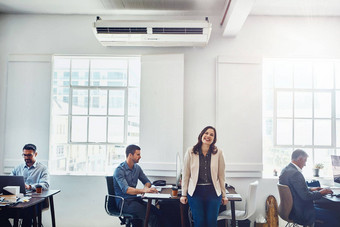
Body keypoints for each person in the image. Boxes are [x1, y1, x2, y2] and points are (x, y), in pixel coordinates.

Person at [180, 126, 228, 227]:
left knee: (211, 223)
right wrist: (184, 194)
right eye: (206, 133)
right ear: (201, 135)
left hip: (213, 192)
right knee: (199, 222)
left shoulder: (219, 152)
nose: (208, 136)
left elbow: (221, 175)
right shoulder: (191, 151)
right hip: (196, 192)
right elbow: (186, 174)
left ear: (214, 139)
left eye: (212, 135)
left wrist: (224, 195)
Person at [279, 149, 340, 226]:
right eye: (305, 161)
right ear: (300, 159)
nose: (305, 164)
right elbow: (306, 196)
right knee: (335, 215)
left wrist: (311, 189)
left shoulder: (286, 170)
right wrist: (322, 192)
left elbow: (294, 189)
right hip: (301, 213)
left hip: (292, 210)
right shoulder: (295, 173)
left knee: (329, 207)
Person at [113, 144, 161, 227]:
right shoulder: (119, 170)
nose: (140, 156)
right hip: (124, 202)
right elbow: (126, 189)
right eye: (138, 154)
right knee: (151, 217)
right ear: (130, 155)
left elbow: (147, 181)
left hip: (134, 200)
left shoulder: (137, 168)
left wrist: (146, 187)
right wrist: (144, 191)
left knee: (158, 212)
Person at [10, 143, 50, 227]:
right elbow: (10, 180)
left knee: (28, 212)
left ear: (35, 154)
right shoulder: (18, 167)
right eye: (24, 155)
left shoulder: (43, 168)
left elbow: (45, 184)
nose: (26, 158)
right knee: (2, 212)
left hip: (35, 200)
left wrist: (30, 187)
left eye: (29, 155)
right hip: (19, 198)